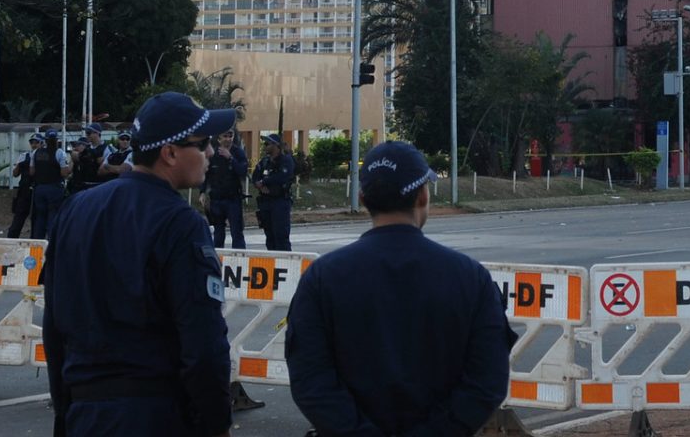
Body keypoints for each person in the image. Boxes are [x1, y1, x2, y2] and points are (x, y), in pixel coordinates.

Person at [285, 141, 514, 435]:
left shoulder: (321, 278)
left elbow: (310, 380)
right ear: (422, 195)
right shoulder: (471, 278)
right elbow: (486, 382)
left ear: (363, 199)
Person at [41, 92, 236, 437]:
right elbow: (203, 345)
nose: (209, 153)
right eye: (202, 143)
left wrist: (65, 411)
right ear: (170, 153)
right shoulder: (179, 222)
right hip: (153, 412)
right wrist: (216, 424)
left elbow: (55, 327)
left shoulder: (76, 209)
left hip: (84, 412)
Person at [204, 129, 248, 250]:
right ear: (219, 139)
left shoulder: (238, 152)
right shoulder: (213, 154)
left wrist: (231, 158)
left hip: (233, 199)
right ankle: (218, 259)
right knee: (218, 233)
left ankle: (239, 258)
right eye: (225, 136)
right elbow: (206, 174)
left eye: (230, 136)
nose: (228, 139)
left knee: (237, 232)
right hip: (217, 199)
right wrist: (203, 192)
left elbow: (242, 171)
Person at [252, 133, 295, 252]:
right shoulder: (264, 162)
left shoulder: (285, 160)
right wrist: (259, 185)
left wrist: (265, 181)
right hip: (266, 202)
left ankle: (286, 264)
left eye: (267, 144)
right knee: (269, 236)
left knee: (281, 236)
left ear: (276, 145)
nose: (264, 146)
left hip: (280, 202)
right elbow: (254, 177)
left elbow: (283, 176)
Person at [28, 130, 70, 239]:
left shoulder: (36, 152)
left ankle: (38, 248)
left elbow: (31, 172)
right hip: (54, 189)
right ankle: (52, 247)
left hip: (39, 188)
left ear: (45, 140)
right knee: (53, 217)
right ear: (56, 140)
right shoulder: (59, 152)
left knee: (40, 219)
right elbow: (64, 173)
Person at [6, 132, 42, 239]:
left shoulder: (43, 156)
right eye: (32, 143)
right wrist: (19, 165)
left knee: (36, 217)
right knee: (19, 215)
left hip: (37, 188)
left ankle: (35, 239)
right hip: (24, 189)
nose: (34, 145)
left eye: (37, 142)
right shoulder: (24, 155)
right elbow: (15, 173)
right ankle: (12, 238)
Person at [69, 124, 108, 195]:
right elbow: (75, 157)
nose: (87, 135)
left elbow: (104, 167)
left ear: (97, 133)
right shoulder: (87, 148)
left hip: (98, 185)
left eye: (89, 133)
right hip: (84, 185)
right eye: (86, 132)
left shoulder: (106, 148)